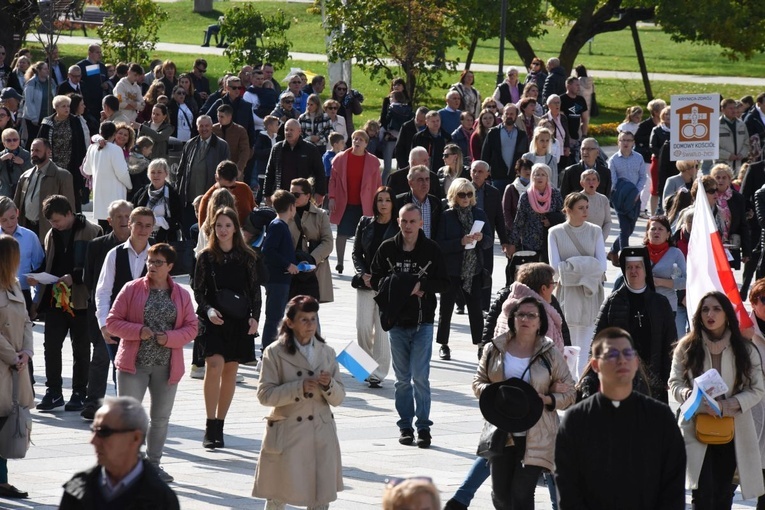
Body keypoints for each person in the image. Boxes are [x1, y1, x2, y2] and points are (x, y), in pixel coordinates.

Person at [555, 327, 687, 510]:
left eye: (627, 353)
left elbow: (673, 487)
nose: (622, 360)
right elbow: (569, 490)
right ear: (595, 365)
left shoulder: (660, 418)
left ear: (635, 362)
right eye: (612, 354)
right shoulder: (576, 421)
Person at [474, 296, 576, 509]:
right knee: (500, 495)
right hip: (501, 431)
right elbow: (478, 382)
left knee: (522, 493)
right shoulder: (495, 348)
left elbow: (570, 394)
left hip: (537, 433)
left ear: (540, 322)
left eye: (532, 315)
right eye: (520, 314)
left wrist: (548, 398)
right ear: (513, 318)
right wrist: (496, 393)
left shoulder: (550, 353)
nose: (525, 319)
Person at [106, 243, 197, 482]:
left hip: (166, 366)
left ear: (170, 267)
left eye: (158, 262)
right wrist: (138, 331)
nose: (152, 266)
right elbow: (113, 322)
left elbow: (192, 328)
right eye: (150, 261)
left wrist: (169, 338)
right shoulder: (131, 289)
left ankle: (153, 464)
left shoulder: (181, 294)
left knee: (160, 418)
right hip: (133, 364)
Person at [669, 291, 765, 507]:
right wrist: (690, 396)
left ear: (726, 314)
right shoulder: (687, 346)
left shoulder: (745, 349)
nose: (710, 314)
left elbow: (757, 389)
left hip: (733, 431)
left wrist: (728, 405)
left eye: (716, 309)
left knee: (723, 495)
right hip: (696, 428)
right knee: (702, 495)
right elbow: (675, 383)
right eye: (705, 309)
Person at [252, 295, 344, 509]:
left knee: (320, 496)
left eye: (313, 319)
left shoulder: (327, 352)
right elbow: (265, 395)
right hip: (288, 431)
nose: (310, 324)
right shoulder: (274, 352)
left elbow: (339, 398)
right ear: (290, 323)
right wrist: (299, 388)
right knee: (278, 494)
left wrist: (329, 385)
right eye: (304, 319)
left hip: (321, 433)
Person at [370, 203, 449, 447]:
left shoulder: (431, 250)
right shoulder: (387, 249)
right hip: (396, 321)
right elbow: (374, 278)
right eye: (404, 221)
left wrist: (422, 287)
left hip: (422, 322)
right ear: (398, 221)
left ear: (421, 223)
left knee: (420, 377)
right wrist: (396, 285)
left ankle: (423, 427)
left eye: (413, 221)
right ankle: (405, 426)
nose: (408, 226)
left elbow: (444, 283)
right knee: (402, 379)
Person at [194, 207, 261, 448]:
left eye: (227, 226)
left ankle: (220, 424)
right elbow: (198, 290)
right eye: (219, 225)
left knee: (230, 371)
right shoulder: (205, 256)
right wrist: (209, 310)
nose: (223, 230)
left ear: (235, 229)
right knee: (214, 365)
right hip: (212, 319)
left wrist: (255, 318)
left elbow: (255, 291)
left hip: (238, 320)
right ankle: (209, 423)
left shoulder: (247, 256)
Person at [31, 195, 102, 411]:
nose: (55, 225)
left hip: (81, 300)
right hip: (56, 299)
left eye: (57, 221)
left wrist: (75, 277)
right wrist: (39, 278)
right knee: (51, 346)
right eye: (51, 222)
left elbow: (96, 268)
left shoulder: (92, 231)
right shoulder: (52, 234)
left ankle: (80, 391)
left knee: (81, 348)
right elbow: (49, 262)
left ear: (69, 213)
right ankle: (54, 392)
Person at [59, 396, 180, 509]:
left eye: (104, 432)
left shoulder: (160, 499)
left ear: (135, 438)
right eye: (93, 431)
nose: (93, 441)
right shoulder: (78, 488)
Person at [594, 246, 676, 402]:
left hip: (654, 376)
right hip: (620, 375)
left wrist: (669, 374)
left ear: (645, 270)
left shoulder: (660, 303)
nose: (633, 271)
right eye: (629, 267)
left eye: (638, 267)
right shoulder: (612, 302)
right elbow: (597, 341)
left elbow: (670, 341)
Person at [80, 200, 132, 420]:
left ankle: (124, 405)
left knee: (126, 363)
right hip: (106, 314)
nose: (123, 221)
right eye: (118, 217)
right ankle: (94, 403)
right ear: (109, 221)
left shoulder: (144, 246)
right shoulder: (97, 246)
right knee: (101, 356)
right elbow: (88, 279)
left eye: (126, 216)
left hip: (133, 316)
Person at [548, 192, 607, 375]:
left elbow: (601, 266)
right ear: (568, 210)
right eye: (580, 208)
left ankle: (582, 380)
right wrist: (585, 267)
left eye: (587, 207)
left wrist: (572, 267)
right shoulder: (555, 232)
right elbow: (556, 268)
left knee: (587, 339)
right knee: (569, 340)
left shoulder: (595, 231)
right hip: (567, 293)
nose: (585, 211)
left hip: (591, 291)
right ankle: (570, 380)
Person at [435, 178, 493, 359]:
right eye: (462, 194)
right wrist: (460, 242)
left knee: (476, 309)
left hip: (473, 269)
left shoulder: (480, 214)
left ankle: (479, 344)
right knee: (446, 308)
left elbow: (490, 241)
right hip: (451, 270)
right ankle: (443, 344)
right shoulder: (446, 216)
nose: (466, 198)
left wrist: (481, 238)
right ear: (454, 196)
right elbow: (439, 245)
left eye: (469, 194)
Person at [352, 186, 397, 388]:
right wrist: (363, 274)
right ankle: (362, 367)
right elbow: (356, 253)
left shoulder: (398, 226)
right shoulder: (365, 222)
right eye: (380, 200)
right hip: (366, 283)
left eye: (387, 200)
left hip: (387, 285)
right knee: (362, 326)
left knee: (381, 331)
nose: (384, 204)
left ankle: (377, 374)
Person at [0, 236, 34, 500]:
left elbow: (26, 323)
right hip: (4, 364)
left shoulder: (13, 285)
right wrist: (13, 356)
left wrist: (27, 353)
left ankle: (2, 481)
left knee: (8, 422)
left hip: (16, 367)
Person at [329, 129, 382, 274]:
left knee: (365, 236)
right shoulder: (340, 159)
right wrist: (332, 198)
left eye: (360, 140)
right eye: (355, 139)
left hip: (365, 204)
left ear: (366, 143)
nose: (357, 142)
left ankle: (362, 263)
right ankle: (340, 263)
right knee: (342, 233)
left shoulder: (373, 162)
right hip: (344, 202)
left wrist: (379, 201)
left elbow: (378, 184)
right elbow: (332, 181)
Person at [175, 114, 230, 236]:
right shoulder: (190, 144)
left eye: (207, 126)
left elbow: (226, 174)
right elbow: (181, 171)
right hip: (189, 200)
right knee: (188, 234)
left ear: (212, 127)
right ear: (197, 127)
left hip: (210, 199)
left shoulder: (221, 146)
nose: (204, 129)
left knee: (207, 234)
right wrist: (179, 193)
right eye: (201, 126)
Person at [13, 137, 75, 243]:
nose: (33, 153)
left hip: (49, 231)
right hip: (27, 229)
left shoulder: (62, 176)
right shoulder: (25, 176)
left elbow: (70, 209)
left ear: (48, 152)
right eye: (32, 150)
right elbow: (16, 205)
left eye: (37, 150)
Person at [262, 190, 299, 353]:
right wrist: (287, 265)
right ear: (291, 207)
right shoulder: (278, 225)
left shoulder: (280, 225)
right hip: (277, 279)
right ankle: (267, 352)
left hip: (281, 279)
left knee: (277, 317)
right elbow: (268, 250)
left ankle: (273, 351)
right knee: (274, 318)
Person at [470, 159, 510, 309]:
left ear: (487, 174)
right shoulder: (464, 190)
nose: (476, 174)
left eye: (480, 171)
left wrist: (505, 241)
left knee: (486, 271)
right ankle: (461, 303)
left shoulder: (494, 192)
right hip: (467, 236)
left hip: (486, 237)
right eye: (474, 171)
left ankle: (485, 306)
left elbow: (499, 218)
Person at [38, 95, 87, 212]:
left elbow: (80, 144)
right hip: (52, 164)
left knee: (72, 195)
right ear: (56, 108)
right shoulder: (47, 122)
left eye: (68, 106)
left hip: (71, 165)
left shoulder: (75, 121)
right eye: (63, 106)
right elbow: (40, 142)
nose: (67, 109)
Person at [288, 178, 334, 303]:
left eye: (296, 195)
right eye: (290, 194)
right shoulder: (284, 213)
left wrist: (311, 260)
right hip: (290, 268)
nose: (292, 198)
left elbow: (328, 242)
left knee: (310, 312)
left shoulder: (321, 215)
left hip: (313, 270)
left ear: (308, 195)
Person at [81, 121, 132, 232]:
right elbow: (122, 173)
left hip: (99, 196)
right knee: (116, 230)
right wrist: (130, 186)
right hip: (115, 195)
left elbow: (86, 170)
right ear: (114, 134)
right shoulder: (116, 150)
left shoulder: (92, 148)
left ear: (100, 132)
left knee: (103, 230)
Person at [508, 163, 564, 263]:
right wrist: (512, 243)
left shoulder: (555, 194)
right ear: (532, 177)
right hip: (530, 241)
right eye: (537, 174)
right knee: (531, 273)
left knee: (548, 272)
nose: (540, 177)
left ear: (548, 177)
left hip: (550, 240)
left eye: (543, 175)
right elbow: (519, 221)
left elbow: (563, 214)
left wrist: (551, 220)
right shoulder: (525, 196)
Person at [263, 119, 327, 204]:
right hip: (281, 196)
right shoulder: (277, 148)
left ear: (299, 131)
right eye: (286, 130)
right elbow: (270, 173)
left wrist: (320, 193)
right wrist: (267, 194)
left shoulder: (310, 149)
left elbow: (320, 173)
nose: (288, 132)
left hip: (303, 197)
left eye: (291, 130)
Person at [608, 130, 646, 263]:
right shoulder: (613, 160)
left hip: (635, 197)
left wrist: (637, 192)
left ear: (633, 143)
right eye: (623, 140)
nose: (626, 143)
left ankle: (613, 250)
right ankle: (625, 257)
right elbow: (612, 181)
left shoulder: (639, 158)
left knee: (630, 228)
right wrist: (616, 197)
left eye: (628, 140)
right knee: (624, 228)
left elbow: (642, 177)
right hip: (620, 199)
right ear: (618, 142)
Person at [131, 159, 182, 244]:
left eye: (159, 172)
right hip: (142, 236)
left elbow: (177, 219)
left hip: (165, 239)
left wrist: (156, 220)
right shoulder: (142, 192)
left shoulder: (172, 194)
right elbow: (133, 212)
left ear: (166, 174)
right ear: (148, 174)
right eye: (153, 172)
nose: (156, 175)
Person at [480, 104, 529, 192]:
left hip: (515, 177)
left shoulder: (522, 135)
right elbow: (485, 155)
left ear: (516, 116)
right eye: (507, 113)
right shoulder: (493, 133)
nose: (509, 116)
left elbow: (525, 156)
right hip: (497, 177)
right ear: (503, 115)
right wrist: (485, 176)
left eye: (512, 114)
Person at [395, 165, 443, 240]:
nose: (425, 183)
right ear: (410, 183)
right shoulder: (398, 202)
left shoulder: (435, 203)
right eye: (420, 180)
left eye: (427, 179)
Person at [717, 97, 751, 174]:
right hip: (722, 165)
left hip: (738, 164)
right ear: (723, 109)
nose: (734, 110)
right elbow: (713, 147)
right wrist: (728, 155)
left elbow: (747, 143)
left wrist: (742, 154)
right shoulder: (716, 125)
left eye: (735, 108)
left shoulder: (741, 124)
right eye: (730, 108)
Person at [0, 127, 31, 198]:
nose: (12, 142)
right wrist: (2, 159)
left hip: (22, 190)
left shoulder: (25, 155)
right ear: (4, 143)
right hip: (4, 192)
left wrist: (23, 163)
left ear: (19, 140)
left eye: (15, 139)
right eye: (8, 140)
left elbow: (32, 172)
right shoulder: (1, 156)